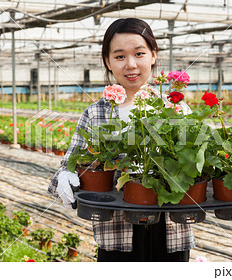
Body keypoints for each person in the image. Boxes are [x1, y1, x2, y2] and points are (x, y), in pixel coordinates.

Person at [49, 18, 194, 262]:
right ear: (107, 61)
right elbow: (65, 170)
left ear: (153, 55)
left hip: (170, 233)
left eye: (139, 53)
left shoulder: (176, 109)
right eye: (119, 56)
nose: (131, 65)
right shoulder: (96, 113)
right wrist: (65, 176)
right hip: (117, 235)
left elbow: (200, 169)